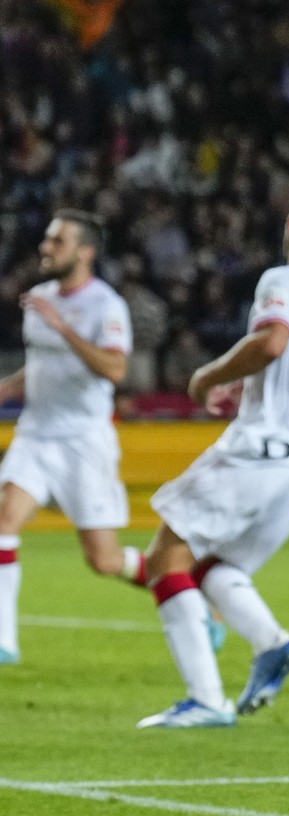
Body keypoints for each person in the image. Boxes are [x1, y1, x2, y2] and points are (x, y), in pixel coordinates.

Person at [136, 181, 289, 728]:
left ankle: (205, 699)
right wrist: (283, 397)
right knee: (221, 569)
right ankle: (272, 644)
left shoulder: (282, 280)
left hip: (259, 450)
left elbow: (273, 341)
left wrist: (206, 378)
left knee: (167, 557)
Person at [0, 210, 148, 664]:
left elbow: (115, 369)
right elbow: (43, 366)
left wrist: (64, 328)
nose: (46, 248)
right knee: (3, 522)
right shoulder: (40, 297)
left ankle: (186, 592)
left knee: (103, 561)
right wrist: (7, 388)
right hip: (36, 434)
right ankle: (4, 640)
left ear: (85, 252)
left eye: (57, 241)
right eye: (47, 239)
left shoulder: (106, 306)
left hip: (84, 441)